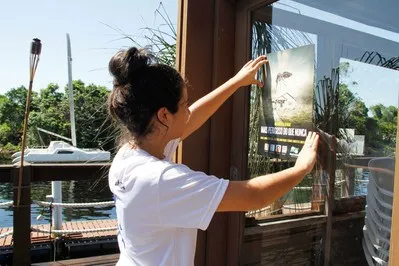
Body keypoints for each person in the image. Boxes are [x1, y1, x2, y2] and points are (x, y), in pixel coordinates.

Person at [107, 47, 319, 266]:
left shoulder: (130, 154)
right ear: (164, 116)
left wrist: (236, 82)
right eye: (184, 104)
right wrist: (300, 168)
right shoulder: (160, 180)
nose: (188, 111)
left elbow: (193, 118)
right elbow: (253, 196)